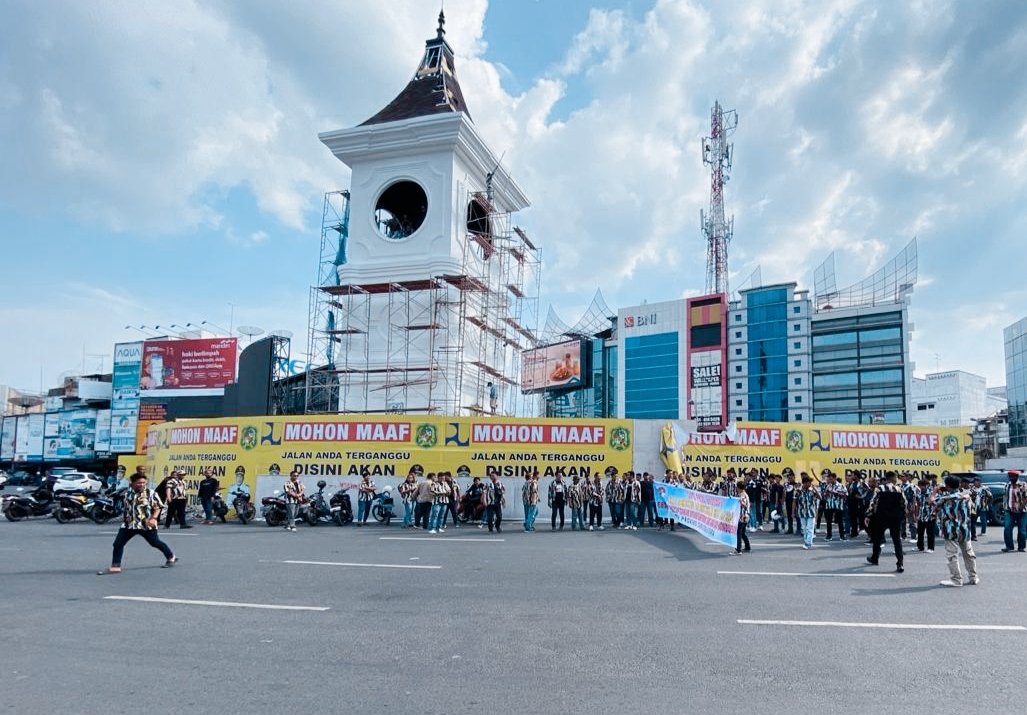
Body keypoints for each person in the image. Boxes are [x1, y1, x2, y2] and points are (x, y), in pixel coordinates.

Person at [98, 469, 175, 574]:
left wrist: (153, 518)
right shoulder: (126, 493)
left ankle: (171, 556)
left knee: (155, 543)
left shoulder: (150, 493)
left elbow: (158, 507)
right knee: (118, 544)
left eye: (143, 483)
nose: (141, 485)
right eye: (139, 483)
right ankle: (116, 566)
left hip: (146, 524)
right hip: (128, 524)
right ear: (132, 482)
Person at [936, 475, 979, 587]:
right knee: (969, 554)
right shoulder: (966, 496)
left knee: (952, 555)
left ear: (948, 486)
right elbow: (972, 511)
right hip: (965, 529)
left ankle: (956, 579)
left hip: (950, 530)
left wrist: (935, 491)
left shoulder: (946, 498)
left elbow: (931, 503)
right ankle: (973, 577)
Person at [865, 471, 905, 573]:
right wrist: (902, 515)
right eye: (896, 478)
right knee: (897, 541)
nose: (896, 480)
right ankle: (900, 563)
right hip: (895, 518)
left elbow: (873, 502)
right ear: (892, 478)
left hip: (881, 517)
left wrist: (868, 515)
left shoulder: (879, 489)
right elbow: (904, 503)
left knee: (877, 539)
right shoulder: (899, 489)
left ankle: (875, 558)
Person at [1001, 470, 1027, 553]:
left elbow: (1026, 497)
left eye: (1013, 477)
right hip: (1009, 511)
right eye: (1010, 477)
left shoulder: (1023, 485)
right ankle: (1009, 546)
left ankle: (1021, 547)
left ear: (1017, 477)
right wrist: (1004, 507)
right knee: (1007, 529)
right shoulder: (1007, 485)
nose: (1011, 478)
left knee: (1022, 530)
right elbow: (1005, 497)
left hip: (1022, 511)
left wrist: (1022, 506)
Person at [795, 475, 821, 549]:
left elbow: (820, 497)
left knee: (810, 528)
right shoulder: (798, 491)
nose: (810, 484)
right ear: (804, 483)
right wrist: (793, 512)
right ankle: (807, 541)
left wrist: (815, 489)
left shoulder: (812, 491)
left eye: (810, 483)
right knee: (804, 529)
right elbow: (794, 501)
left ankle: (808, 544)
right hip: (802, 512)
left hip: (811, 512)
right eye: (808, 483)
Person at [823, 471, 847, 541]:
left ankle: (842, 536)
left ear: (835, 478)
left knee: (840, 521)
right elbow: (824, 495)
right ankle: (829, 536)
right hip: (829, 505)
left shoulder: (841, 486)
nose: (829, 480)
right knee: (828, 521)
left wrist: (837, 493)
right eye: (829, 479)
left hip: (838, 506)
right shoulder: (828, 486)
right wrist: (826, 494)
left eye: (831, 479)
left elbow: (846, 495)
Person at [916, 479, 937, 553]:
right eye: (919, 486)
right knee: (920, 532)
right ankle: (920, 547)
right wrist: (917, 515)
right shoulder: (919, 494)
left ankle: (931, 548)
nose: (920, 487)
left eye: (922, 486)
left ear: (926, 486)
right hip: (921, 516)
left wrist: (934, 512)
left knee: (930, 533)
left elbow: (936, 504)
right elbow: (918, 504)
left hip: (930, 516)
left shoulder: (931, 493)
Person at [732, 480, 751, 554]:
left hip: (742, 516)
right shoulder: (744, 494)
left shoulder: (742, 495)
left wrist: (740, 501)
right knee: (742, 533)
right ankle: (747, 546)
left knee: (739, 533)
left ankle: (738, 549)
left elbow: (744, 505)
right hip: (746, 515)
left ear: (739, 488)